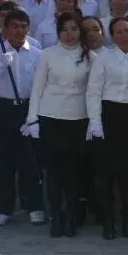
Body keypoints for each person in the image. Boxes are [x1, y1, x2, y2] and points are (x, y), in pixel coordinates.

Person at [23, 12, 95, 237]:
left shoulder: (90, 57)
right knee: (53, 173)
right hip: (50, 117)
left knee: (73, 173)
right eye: (64, 30)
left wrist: (94, 122)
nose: (69, 34)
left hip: (78, 119)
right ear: (58, 32)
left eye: (74, 29)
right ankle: (55, 216)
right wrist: (32, 119)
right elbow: (37, 89)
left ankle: (70, 216)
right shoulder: (47, 55)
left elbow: (93, 93)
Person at [0, 9, 44, 227]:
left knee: (30, 161)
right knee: (2, 162)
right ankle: (3, 207)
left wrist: (35, 116)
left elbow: (41, 86)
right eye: (14, 26)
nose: (19, 31)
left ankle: (34, 206)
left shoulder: (37, 53)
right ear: (5, 29)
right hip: (1, 109)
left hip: (26, 108)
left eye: (23, 27)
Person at [86, 17, 128, 239]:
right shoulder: (103, 58)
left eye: (127, 30)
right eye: (119, 32)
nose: (124, 35)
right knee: (105, 174)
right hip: (108, 116)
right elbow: (93, 92)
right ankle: (108, 222)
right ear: (112, 36)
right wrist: (95, 122)